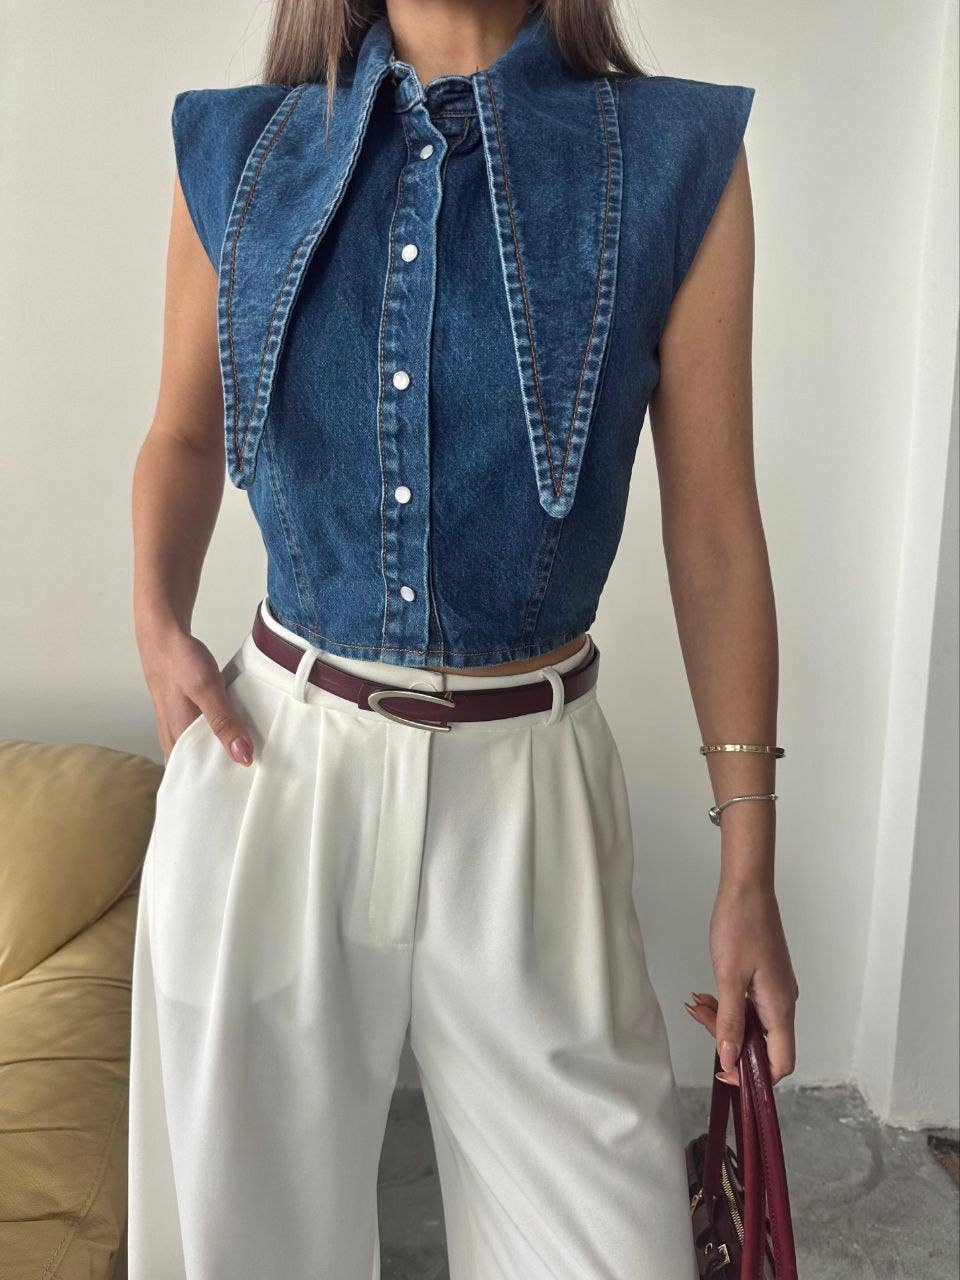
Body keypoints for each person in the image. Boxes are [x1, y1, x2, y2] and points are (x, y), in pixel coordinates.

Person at [128, 0, 798, 1276]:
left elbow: (715, 525)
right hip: (276, 771)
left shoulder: (678, 155)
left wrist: (749, 867)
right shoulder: (236, 147)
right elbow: (182, 432)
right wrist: (159, 618)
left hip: (530, 791)